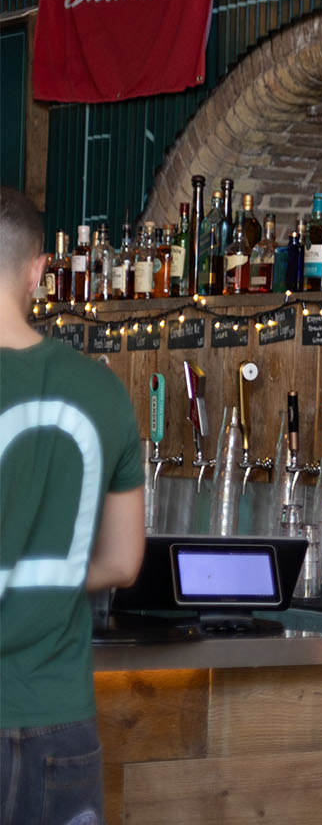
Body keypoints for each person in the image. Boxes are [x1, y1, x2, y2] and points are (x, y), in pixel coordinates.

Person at [0, 187, 145, 825]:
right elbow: (123, 563)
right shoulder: (102, 391)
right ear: (38, 270)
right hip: (60, 724)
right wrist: (44, 576)